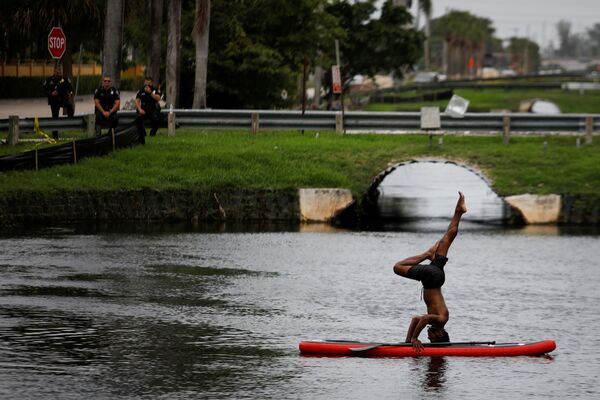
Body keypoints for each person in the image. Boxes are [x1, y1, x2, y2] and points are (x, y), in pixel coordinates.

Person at [393, 191, 467, 352]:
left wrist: (407, 343)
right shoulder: (441, 320)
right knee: (397, 267)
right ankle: (426, 254)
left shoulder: (437, 323)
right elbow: (425, 318)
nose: (428, 338)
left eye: (428, 339)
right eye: (432, 339)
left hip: (435, 276)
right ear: (440, 334)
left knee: (446, 239)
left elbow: (415, 320)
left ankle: (459, 212)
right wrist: (415, 338)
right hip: (432, 278)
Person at [43, 66, 74, 140]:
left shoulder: (65, 79)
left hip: (63, 99)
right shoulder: (49, 80)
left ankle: (71, 120)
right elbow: (44, 91)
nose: (58, 74)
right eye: (57, 72)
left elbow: (71, 89)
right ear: (54, 72)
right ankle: (55, 136)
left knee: (70, 106)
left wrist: (70, 94)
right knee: (55, 118)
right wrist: (51, 93)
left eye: (60, 72)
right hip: (54, 101)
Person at [135, 76, 162, 144]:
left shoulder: (155, 89)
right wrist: (139, 109)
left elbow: (158, 98)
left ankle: (152, 134)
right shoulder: (141, 90)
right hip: (143, 109)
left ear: (151, 83)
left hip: (152, 109)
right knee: (138, 119)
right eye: (146, 83)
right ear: (144, 82)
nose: (147, 85)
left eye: (149, 83)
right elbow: (137, 101)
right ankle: (143, 134)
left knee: (156, 119)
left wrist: (150, 93)